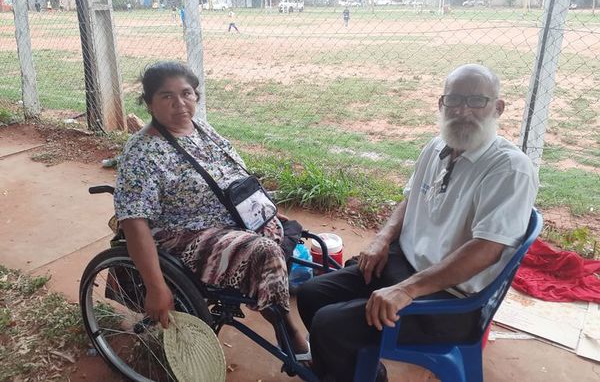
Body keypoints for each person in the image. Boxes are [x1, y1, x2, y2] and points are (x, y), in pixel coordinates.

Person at [297, 64, 539, 382]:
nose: (463, 110)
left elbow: (487, 250)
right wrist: (382, 238)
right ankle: (360, 371)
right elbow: (410, 200)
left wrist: (406, 290)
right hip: (405, 265)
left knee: (331, 325)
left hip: (450, 300)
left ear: (498, 107)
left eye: (476, 101)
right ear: (441, 104)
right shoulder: (435, 147)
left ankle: (348, 367)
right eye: (453, 100)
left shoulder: (509, 169)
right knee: (312, 293)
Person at [113, 61, 310, 359]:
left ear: (196, 96)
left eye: (186, 93)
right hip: (182, 234)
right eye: (166, 96)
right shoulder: (142, 152)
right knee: (265, 253)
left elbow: (233, 176)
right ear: (150, 103)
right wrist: (155, 287)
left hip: (228, 219)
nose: (179, 103)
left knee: (280, 228)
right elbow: (134, 222)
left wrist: (261, 208)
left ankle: (272, 295)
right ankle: (290, 330)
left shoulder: (201, 129)